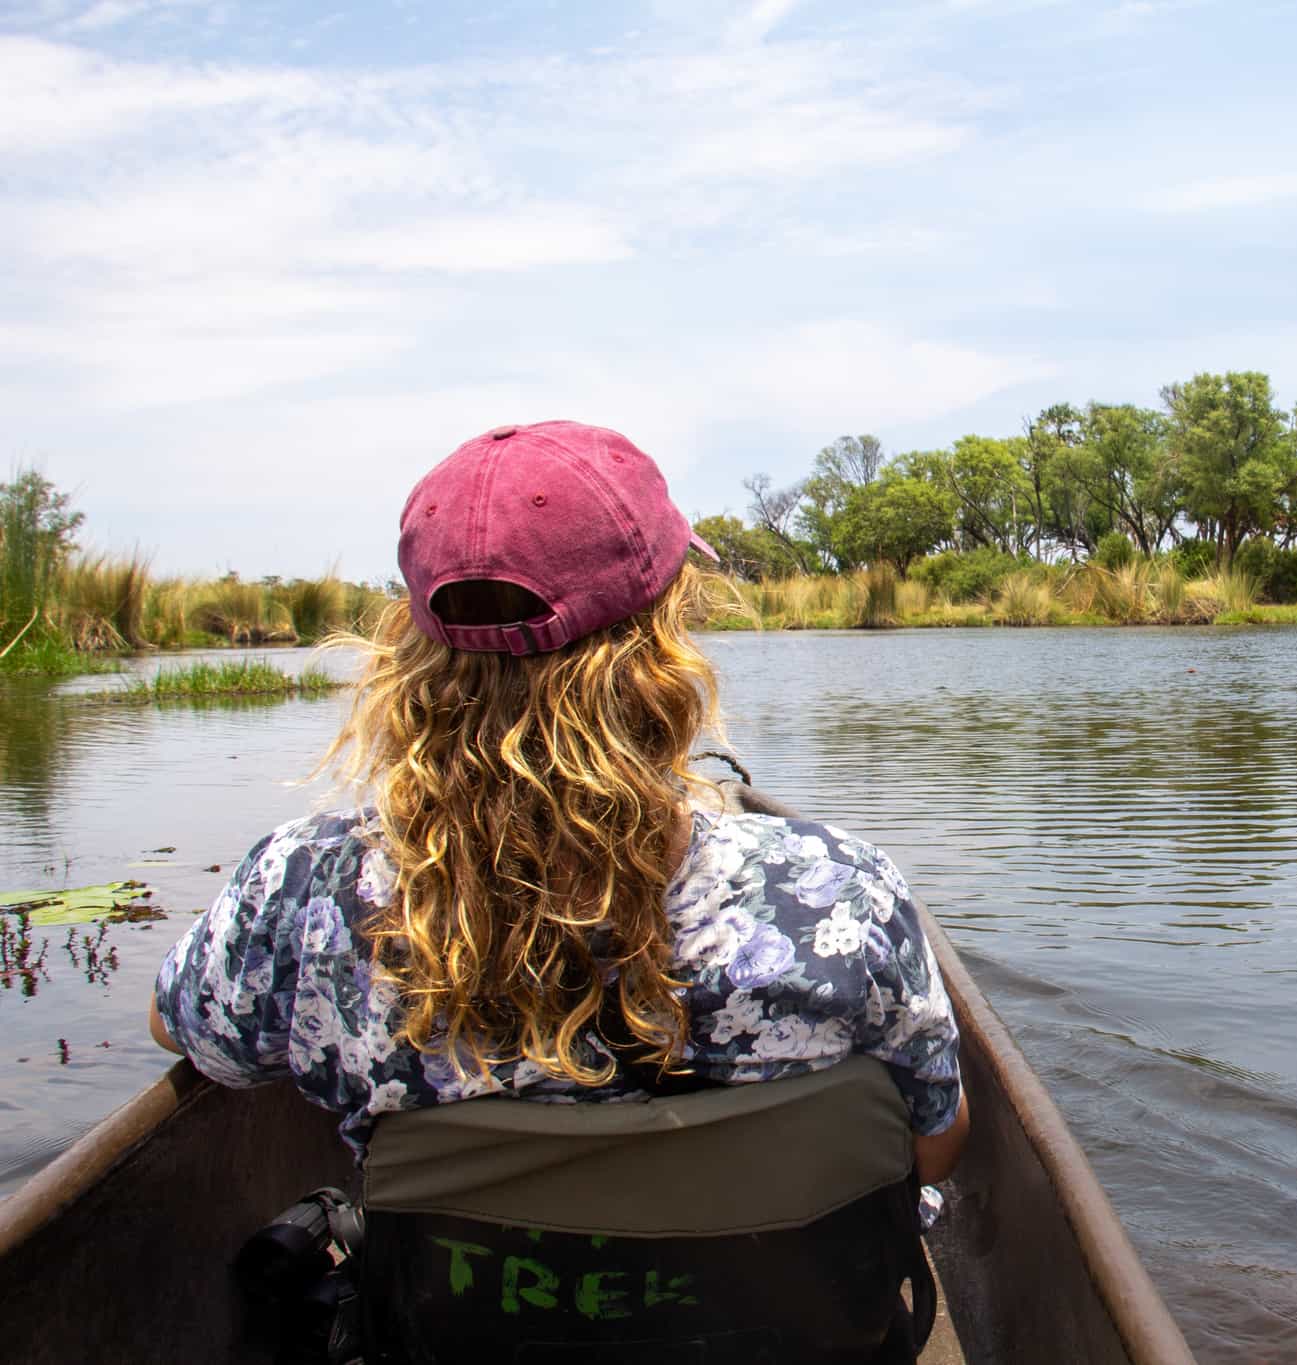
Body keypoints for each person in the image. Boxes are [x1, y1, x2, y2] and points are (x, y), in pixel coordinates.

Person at [149, 417, 970, 1194]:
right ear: (662, 643)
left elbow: (182, 1027)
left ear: (412, 648)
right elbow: (934, 1146)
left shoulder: (303, 891)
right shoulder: (842, 894)